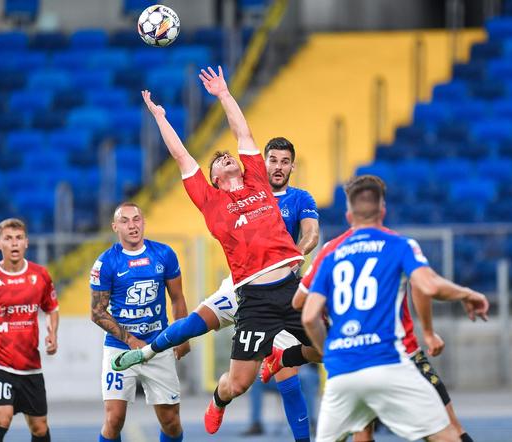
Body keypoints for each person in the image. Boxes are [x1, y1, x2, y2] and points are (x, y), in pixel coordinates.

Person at [125, 66, 319, 436]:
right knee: (239, 383)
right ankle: (218, 399)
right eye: (218, 161)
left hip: (291, 288)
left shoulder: (257, 179)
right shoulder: (210, 201)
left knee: (328, 349)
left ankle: (282, 357)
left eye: (230, 157)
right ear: (213, 177)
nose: (227, 158)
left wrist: (224, 95)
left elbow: (242, 133)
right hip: (254, 298)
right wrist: (161, 118)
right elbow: (182, 157)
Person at [266, 193, 476, 441]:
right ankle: (285, 356)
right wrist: (432, 329)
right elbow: (425, 286)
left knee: (362, 430)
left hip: (346, 364)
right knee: (450, 431)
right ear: (382, 211)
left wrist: (330, 344)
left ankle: (285, 356)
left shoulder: (331, 251)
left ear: (349, 215)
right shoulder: (397, 245)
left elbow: (302, 306)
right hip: (397, 356)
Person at [90, 202, 189, 442]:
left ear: (143, 222)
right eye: (125, 221)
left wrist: (183, 335)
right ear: (115, 227)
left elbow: (177, 298)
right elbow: (97, 312)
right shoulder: (106, 263)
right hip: (120, 350)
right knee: (114, 419)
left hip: (158, 346)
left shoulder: (164, 254)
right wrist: (131, 340)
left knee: (171, 422)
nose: (132, 225)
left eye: (136, 219)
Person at [0, 218, 59, 442]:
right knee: (2, 416)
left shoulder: (40, 276)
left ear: (26, 242)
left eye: (18, 238)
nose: (14, 243)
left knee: (39, 426)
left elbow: (51, 308)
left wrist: (52, 333)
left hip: (30, 365)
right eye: (8, 239)